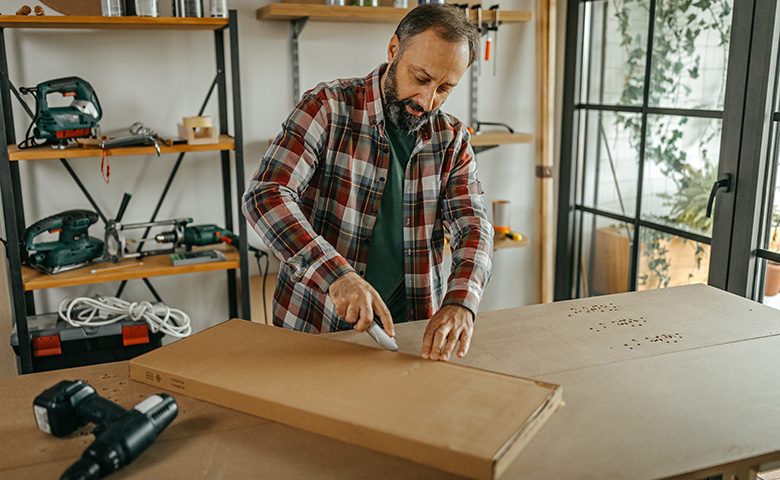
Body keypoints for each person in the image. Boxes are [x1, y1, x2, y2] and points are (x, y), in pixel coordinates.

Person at [243, 4, 493, 362]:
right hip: (317, 327)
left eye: (444, 89)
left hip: (412, 334)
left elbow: (474, 227)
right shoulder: (327, 108)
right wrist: (337, 276)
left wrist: (461, 303)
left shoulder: (451, 139)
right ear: (394, 50)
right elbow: (266, 195)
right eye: (421, 78)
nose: (427, 100)